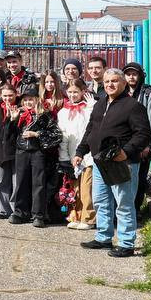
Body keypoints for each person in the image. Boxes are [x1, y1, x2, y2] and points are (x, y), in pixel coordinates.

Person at [75, 69, 151, 258]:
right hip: (100, 162)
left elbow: (143, 134)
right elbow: (91, 129)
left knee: (124, 203)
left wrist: (125, 152)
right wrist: (80, 151)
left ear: (124, 83)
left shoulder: (133, 106)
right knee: (101, 201)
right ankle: (103, 237)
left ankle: (126, 243)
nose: (110, 84)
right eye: (107, 81)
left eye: (115, 81)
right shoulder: (100, 104)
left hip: (122, 163)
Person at [9, 84, 61, 227]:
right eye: (25, 100)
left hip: (38, 152)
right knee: (21, 182)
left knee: (38, 183)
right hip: (21, 151)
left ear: (37, 100)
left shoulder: (44, 115)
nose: (27, 103)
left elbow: (56, 135)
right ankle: (20, 212)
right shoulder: (19, 114)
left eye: (30, 100)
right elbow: (10, 136)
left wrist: (36, 134)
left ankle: (38, 214)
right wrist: (12, 121)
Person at [122, 62, 151, 210]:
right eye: (128, 74)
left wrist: (148, 145)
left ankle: (136, 209)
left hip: (141, 143)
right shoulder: (121, 92)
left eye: (134, 74)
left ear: (140, 75)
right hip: (124, 142)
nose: (131, 77)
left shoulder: (149, 94)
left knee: (139, 178)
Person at [58, 79, 96, 230]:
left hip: (87, 154)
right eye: (70, 92)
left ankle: (89, 218)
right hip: (71, 154)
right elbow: (63, 136)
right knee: (75, 188)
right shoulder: (63, 112)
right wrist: (64, 157)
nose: (73, 95)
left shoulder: (88, 108)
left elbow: (92, 128)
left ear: (83, 92)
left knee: (87, 187)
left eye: (76, 92)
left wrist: (91, 107)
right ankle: (76, 215)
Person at [0, 84, 20, 219]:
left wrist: (13, 119)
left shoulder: (20, 109)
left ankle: (15, 209)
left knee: (16, 181)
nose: (8, 98)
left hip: (15, 150)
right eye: (5, 96)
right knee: (1, 181)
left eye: (10, 96)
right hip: (0, 150)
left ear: (16, 95)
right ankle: (3, 209)